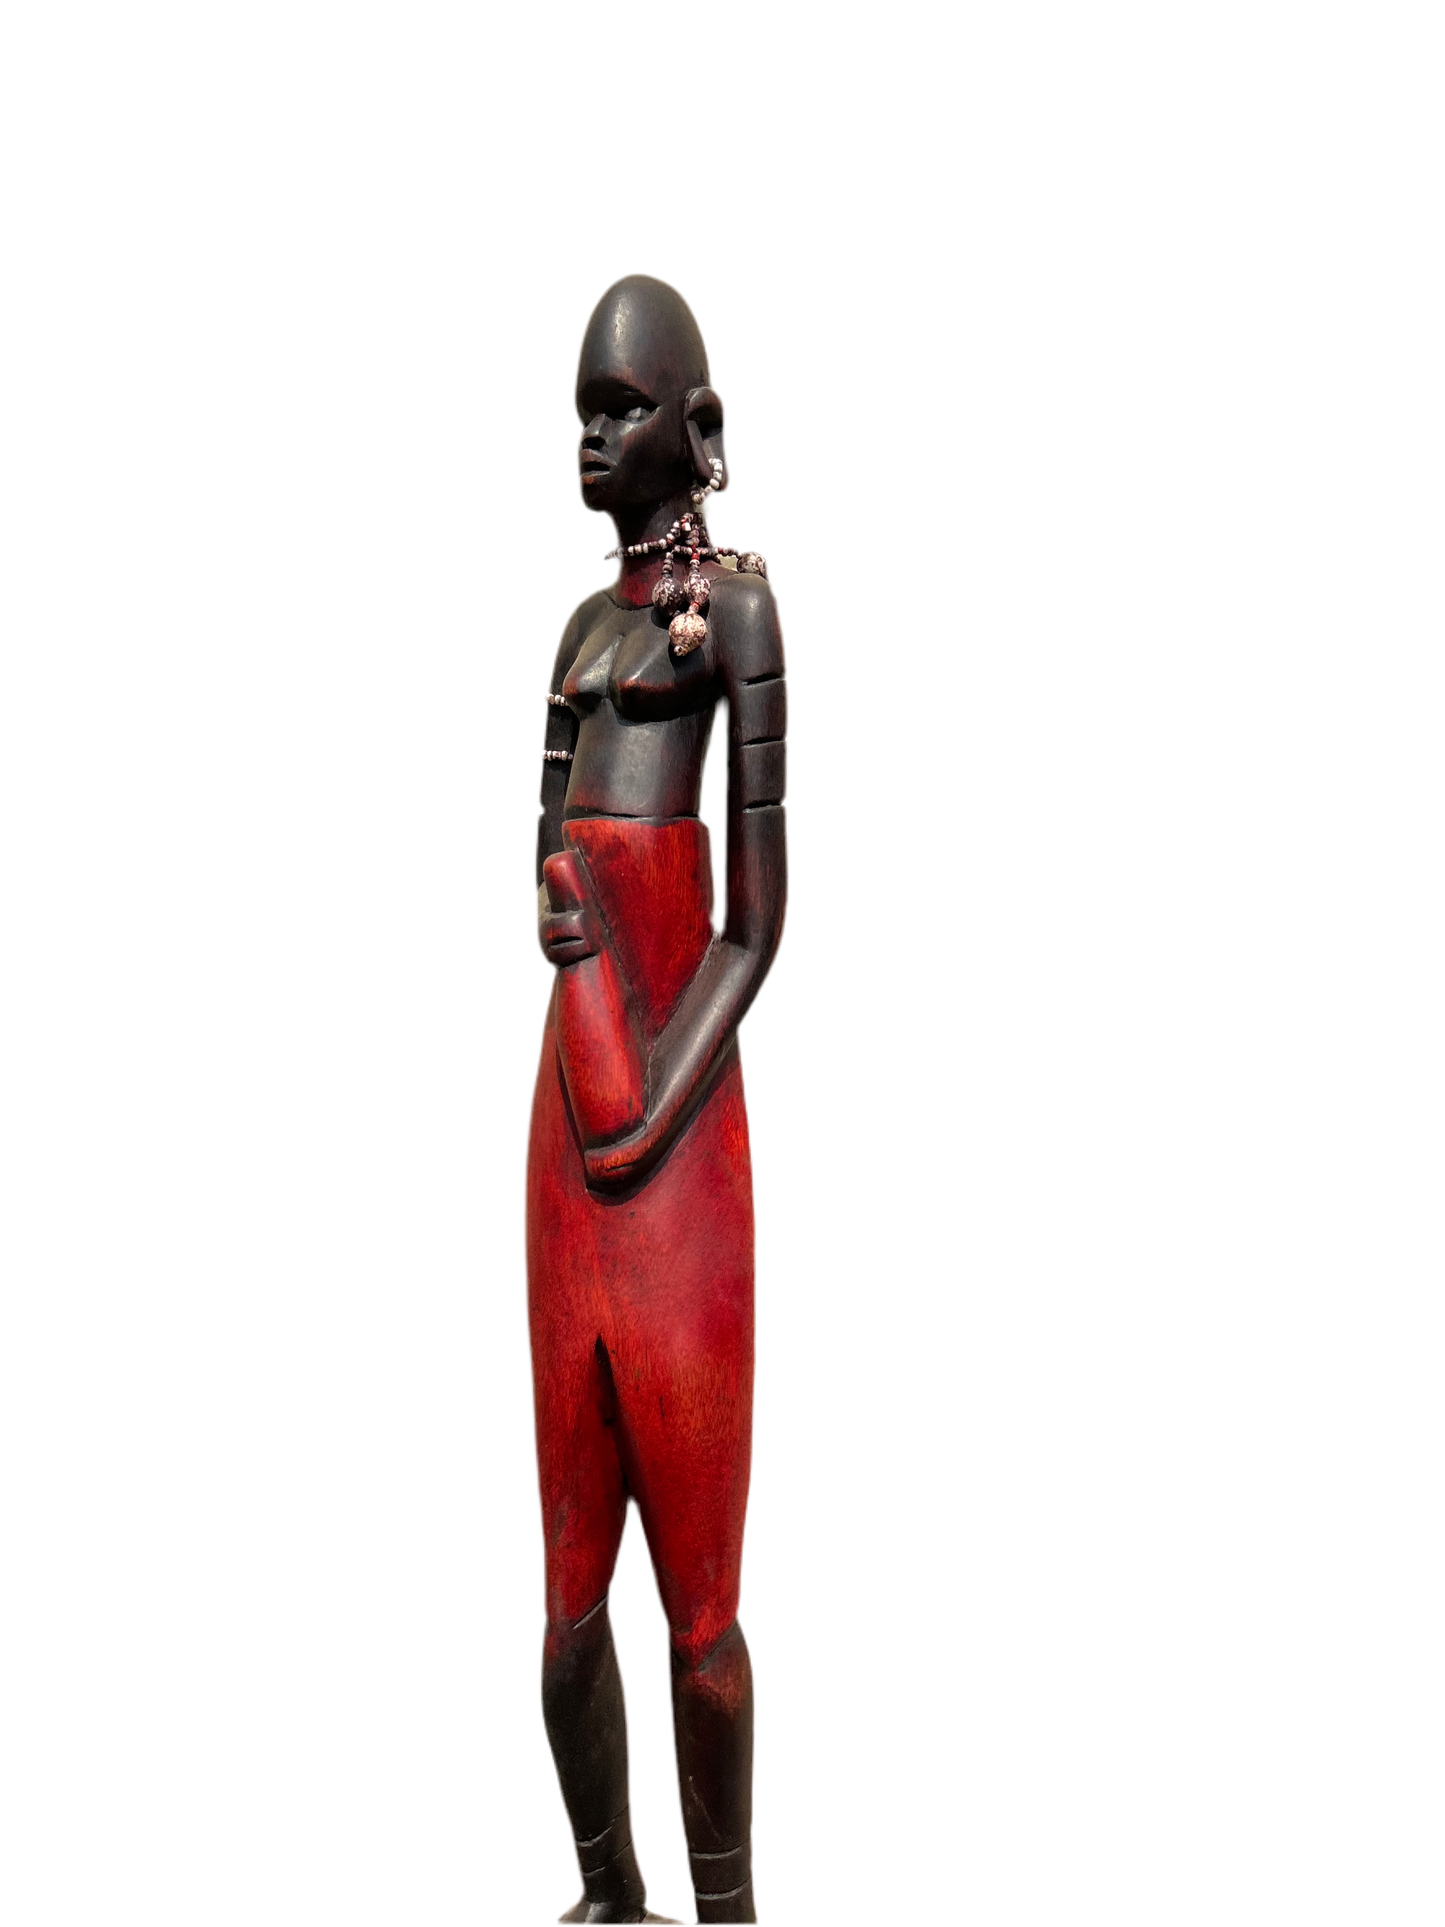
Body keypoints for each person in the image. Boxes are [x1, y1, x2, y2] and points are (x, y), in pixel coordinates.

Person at [526, 275, 786, 1924]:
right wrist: (571, 958)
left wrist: (653, 1109)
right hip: (569, 1118)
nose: (590, 438)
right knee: (566, 1599)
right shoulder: (577, 633)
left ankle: (729, 1908)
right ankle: (608, 1892)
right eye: (579, 412)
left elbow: (756, 923)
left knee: (701, 1607)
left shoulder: (738, 615)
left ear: (696, 430)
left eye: (619, 411)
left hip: (681, 1146)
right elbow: (539, 855)